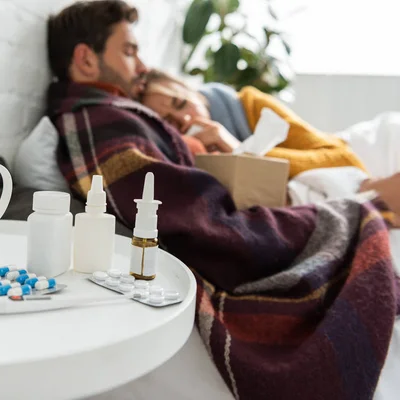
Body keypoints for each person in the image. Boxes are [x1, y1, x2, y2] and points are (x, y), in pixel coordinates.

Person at [45, 2, 399, 399]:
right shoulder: (100, 120)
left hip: (239, 210)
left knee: (360, 209)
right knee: (357, 216)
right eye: (129, 51)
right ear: (85, 60)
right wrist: (323, 217)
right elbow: (201, 223)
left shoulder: (117, 113)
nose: (142, 66)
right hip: (226, 235)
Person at [140, 69, 368, 178]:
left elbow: (345, 160)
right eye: (169, 122)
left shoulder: (252, 105)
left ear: (193, 91)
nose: (185, 120)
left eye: (181, 104)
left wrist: (237, 149)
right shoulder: (184, 151)